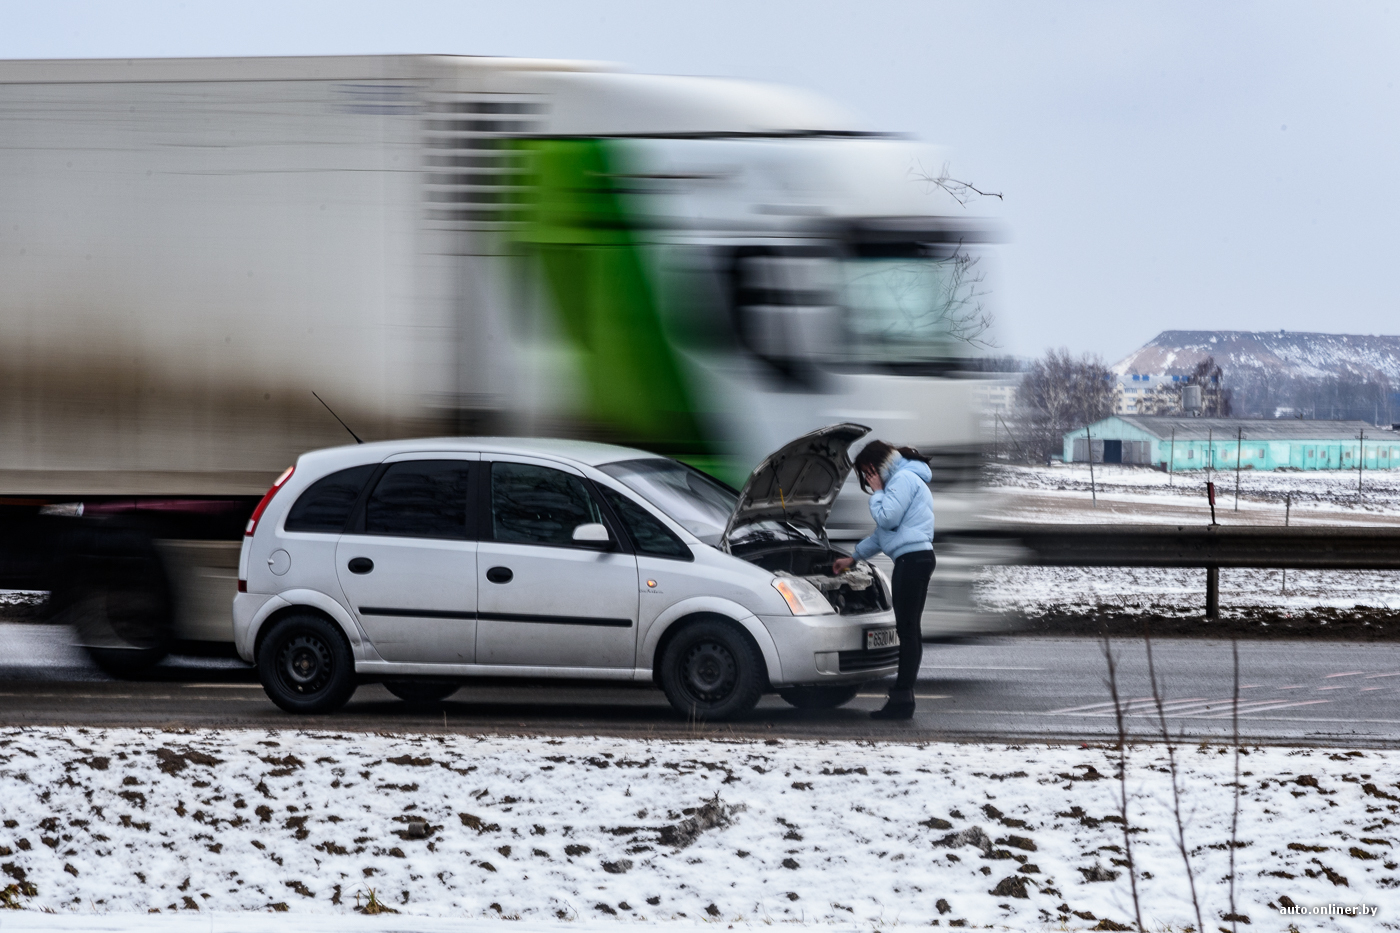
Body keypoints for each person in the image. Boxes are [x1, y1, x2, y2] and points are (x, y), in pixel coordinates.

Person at [832, 440, 935, 721]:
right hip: (913, 559)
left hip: (913, 560)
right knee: (909, 628)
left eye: (868, 472)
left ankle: (902, 699)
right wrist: (853, 558)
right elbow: (882, 535)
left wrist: (877, 493)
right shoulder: (902, 480)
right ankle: (902, 698)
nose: (868, 479)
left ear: (878, 463)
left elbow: (887, 519)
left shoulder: (902, 480)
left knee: (908, 629)